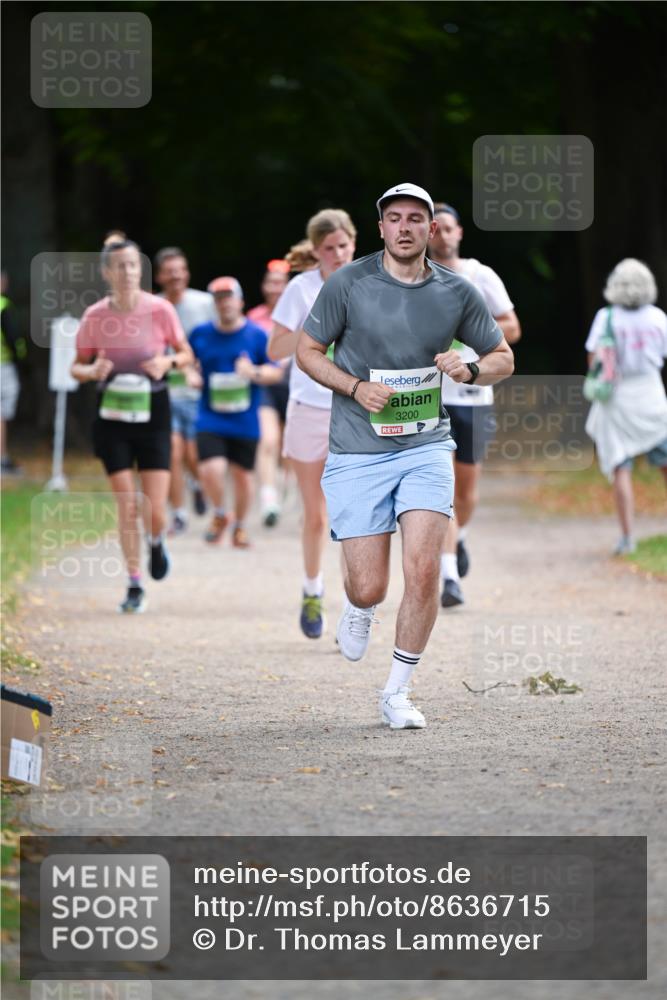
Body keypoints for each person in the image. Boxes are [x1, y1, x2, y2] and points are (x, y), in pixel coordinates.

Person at [297, 183, 514, 729]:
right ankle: (360, 605)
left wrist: (469, 369)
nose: (404, 227)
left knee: (424, 570)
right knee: (369, 584)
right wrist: (352, 387)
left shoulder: (456, 292)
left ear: (431, 229)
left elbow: (502, 356)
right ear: (381, 229)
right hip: (358, 449)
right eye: (394, 218)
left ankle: (397, 691)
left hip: (426, 445)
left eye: (415, 218)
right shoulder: (349, 283)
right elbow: (306, 351)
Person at [71, 240, 194, 613]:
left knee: (153, 508)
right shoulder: (94, 316)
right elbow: (76, 367)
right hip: (111, 417)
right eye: (119, 267)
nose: (126, 273)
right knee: (127, 505)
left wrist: (167, 365)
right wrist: (92, 370)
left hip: (153, 411)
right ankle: (134, 582)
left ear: (140, 271)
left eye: (132, 266)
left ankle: (156, 540)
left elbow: (186, 354)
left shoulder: (160, 310)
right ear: (107, 272)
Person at [268, 210, 357, 639]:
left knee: (352, 515)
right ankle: (311, 589)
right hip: (309, 408)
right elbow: (274, 349)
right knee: (317, 516)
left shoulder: (369, 284)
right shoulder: (300, 290)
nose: (338, 254)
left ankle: (353, 608)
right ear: (316, 252)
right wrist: (313, 325)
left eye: (343, 246)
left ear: (354, 244)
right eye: (329, 249)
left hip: (355, 408)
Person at [428, 202, 522, 607]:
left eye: (449, 228)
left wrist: (469, 337)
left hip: (473, 395)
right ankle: (449, 577)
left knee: (467, 492)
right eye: (437, 229)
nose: (444, 235)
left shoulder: (480, 276)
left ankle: (459, 537)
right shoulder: (418, 278)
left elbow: (512, 327)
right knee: (443, 488)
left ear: (459, 233)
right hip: (430, 397)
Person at [190, 276, 283, 548]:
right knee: (211, 469)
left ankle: (240, 526)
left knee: (243, 477)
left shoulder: (255, 335)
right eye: (219, 299)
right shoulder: (200, 333)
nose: (225, 304)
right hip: (210, 414)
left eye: (229, 297)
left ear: (240, 301)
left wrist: (252, 372)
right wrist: (189, 373)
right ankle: (220, 513)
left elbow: (275, 372)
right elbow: (185, 359)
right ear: (214, 305)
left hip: (245, 418)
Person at [584, 258, 667, 554]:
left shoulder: (606, 317)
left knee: (620, 466)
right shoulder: (658, 318)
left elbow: (593, 360)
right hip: (652, 396)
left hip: (617, 398)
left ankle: (628, 536)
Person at [154, 246, 216, 533]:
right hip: (163, 391)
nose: (176, 275)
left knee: (193, 454)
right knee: (172, 452)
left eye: (180, 270)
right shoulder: (152, 306)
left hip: (197, 391)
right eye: (170, 271)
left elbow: (219, 338)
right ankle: (178, 513)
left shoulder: (204, 303)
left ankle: (197, 484)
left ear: (187, 273)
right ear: (159, 276)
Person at [247, 259, 291, 527]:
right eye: (270, 283)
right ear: (263, 286)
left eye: (280, 283)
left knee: (290, 451)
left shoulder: (301, 313)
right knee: (267, 442)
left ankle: (287, 487)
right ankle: (268, 499)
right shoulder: (253, 318)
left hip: (295, 387)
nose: (275, 288)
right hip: (265, 387)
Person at [0, 271, 27, 475]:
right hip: (3, 366)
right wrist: (20, 359)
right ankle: (2, 458)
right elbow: (13, 338)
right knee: (1, 413)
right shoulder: (3, 305)